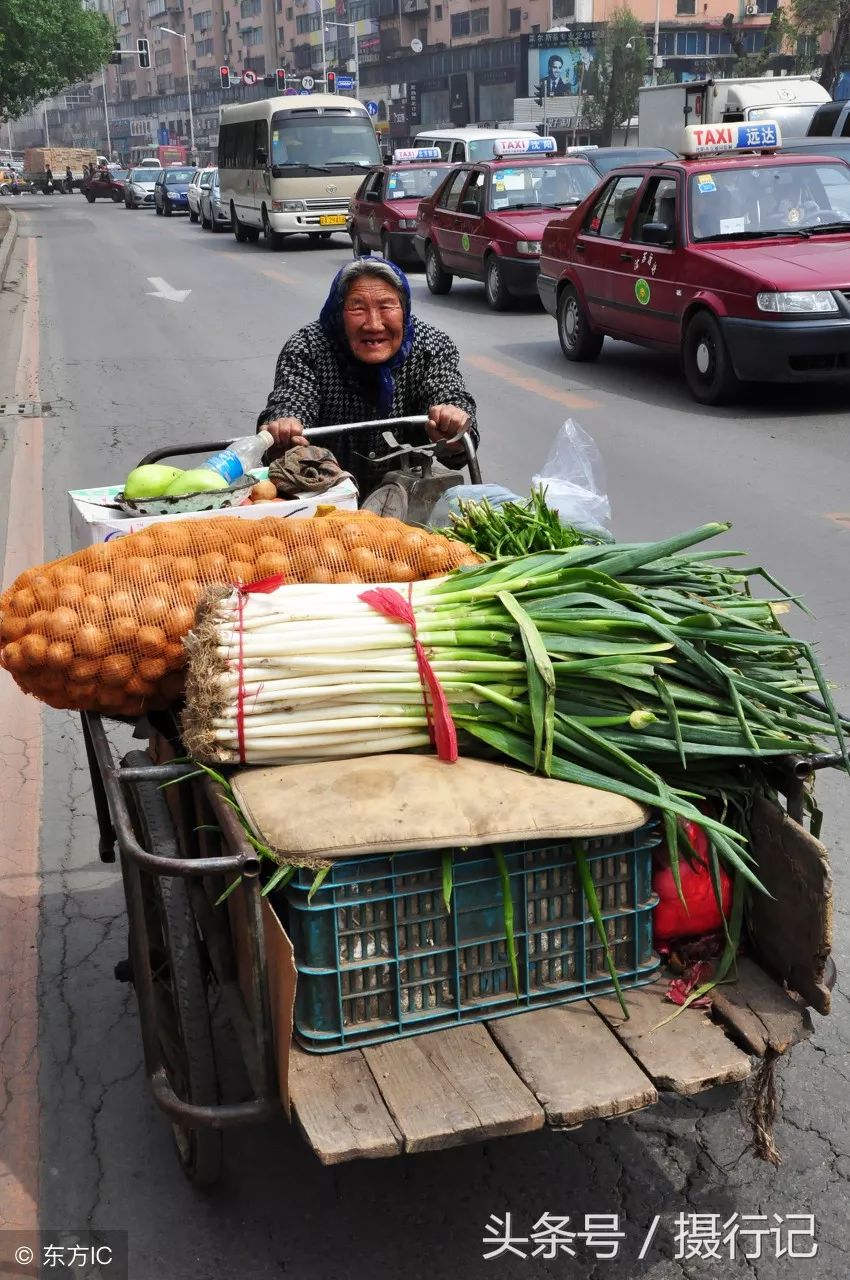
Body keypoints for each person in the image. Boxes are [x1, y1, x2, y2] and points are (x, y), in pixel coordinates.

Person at [257, 259, 478, 494]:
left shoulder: (431, 346)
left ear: (404, 310)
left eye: (386, 306)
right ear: (339, 313)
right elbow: (291, 402)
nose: (373, 324)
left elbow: (449, 394)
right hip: (324, 499)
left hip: (406, 499)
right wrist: (285, 427)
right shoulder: (307, 348)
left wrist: (452, 424)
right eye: (357, 308)